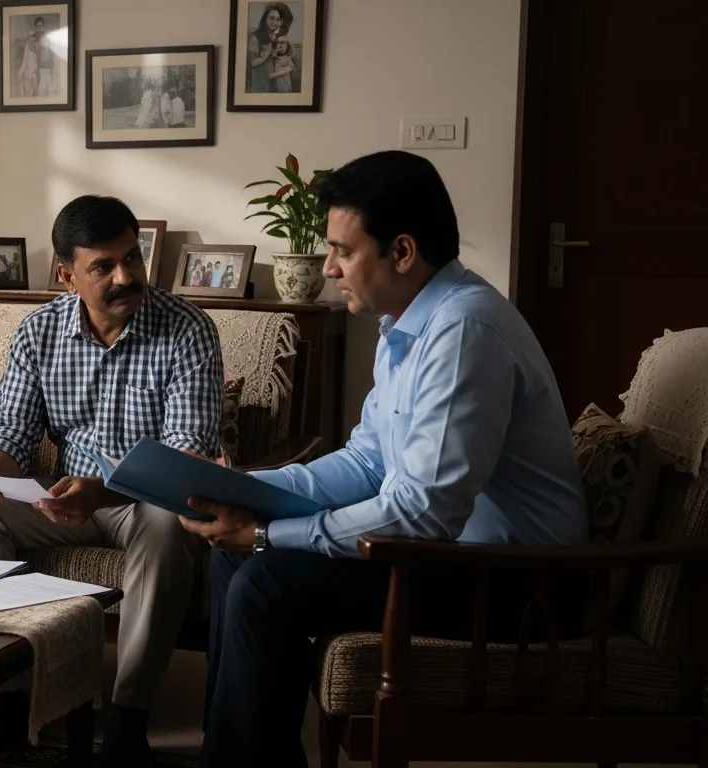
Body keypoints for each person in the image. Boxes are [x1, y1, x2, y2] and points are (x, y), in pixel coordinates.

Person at [186, 151, 587, 767]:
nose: (328, 268)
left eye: (343, 251)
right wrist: (246, 485)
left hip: (511, 586)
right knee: (231, 565)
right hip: (451, 562)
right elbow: (368, 462)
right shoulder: (408, 325)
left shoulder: (463, 334)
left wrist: (269, 532)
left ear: (401, 252)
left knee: (266, 579)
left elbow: (424, 513)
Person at [0, 195, 223, 768]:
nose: (126, 277)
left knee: (168, 522)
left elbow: (183, 461)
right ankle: (6, 691)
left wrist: (102, 488)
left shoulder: (188, 329)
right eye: (104, 267)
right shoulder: (39, 331)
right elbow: (12, 433)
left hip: (141, 501)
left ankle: (129, 714)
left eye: (132, 258)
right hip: (62, 497)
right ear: (67, 275)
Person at [248, 3, 292, 94]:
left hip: (276, 85)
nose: (274, 22)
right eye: (271, 18)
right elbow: (253, 63)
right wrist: (265, 54)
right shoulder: (255, 37)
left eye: (277, 19)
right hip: (261, 83)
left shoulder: (279, 38)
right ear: (265, 19)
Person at [33, 16, 56, 96]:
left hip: (47, 69)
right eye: (38, 26)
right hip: (37, 69)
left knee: (50, 92)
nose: (40, 28)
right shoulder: (32, 39)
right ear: (35, 27)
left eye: (41, 26)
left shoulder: (47, 38)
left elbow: (50, 54)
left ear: (43, 26)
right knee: (39, 92)